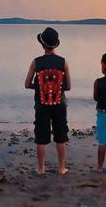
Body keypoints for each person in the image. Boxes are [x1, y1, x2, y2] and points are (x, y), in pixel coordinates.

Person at [25, 27, 71, 175]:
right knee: (61, 135)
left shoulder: (36, 62)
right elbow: (68, 86)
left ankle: (40, 168)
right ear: (55, 44)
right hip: (59, 103)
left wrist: (39, 87)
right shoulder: (63, 62)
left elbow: (27, 84)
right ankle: (61, 167)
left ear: (42, 44)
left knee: (41, 136)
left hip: (41, 104)